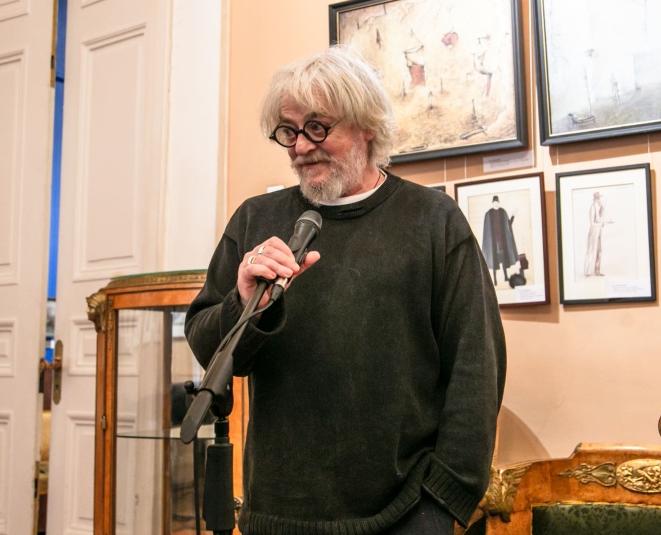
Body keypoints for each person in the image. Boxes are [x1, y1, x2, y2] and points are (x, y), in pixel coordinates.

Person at [185, 46, 506, 535]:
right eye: (288, 131)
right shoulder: (256, 219)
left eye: (317, 127)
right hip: (277, 515)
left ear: (367, 125)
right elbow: (210, 350)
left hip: (404, 515)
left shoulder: (433, 220)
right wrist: (243, 302)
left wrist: (443, 501)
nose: (300, 146)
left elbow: (476, 366)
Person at [482, 195, 519, 285]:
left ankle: (506, 276)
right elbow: (486, 231)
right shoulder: (488, 214)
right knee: (494, 261)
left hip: (502, 241)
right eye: (495, 202)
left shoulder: (503, 212)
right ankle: (494, 280)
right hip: (493, 243)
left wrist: (513, 216)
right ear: (492, 203)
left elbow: (508, 225)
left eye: (497, 202)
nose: (496, 204)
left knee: (504, 259)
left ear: (499, 202)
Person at [584, 191, 610, 277]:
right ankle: (587, 272)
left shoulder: (598, 207)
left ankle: (597, 271)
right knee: (591, 250)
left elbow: (599, 219)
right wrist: (602, 224)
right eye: (599, 198)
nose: (600, 200)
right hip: (594, 230)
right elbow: (592, 223)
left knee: (599, 250)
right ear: (596, 199)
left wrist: (602, 208)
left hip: (598, 230)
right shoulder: (593, 207)